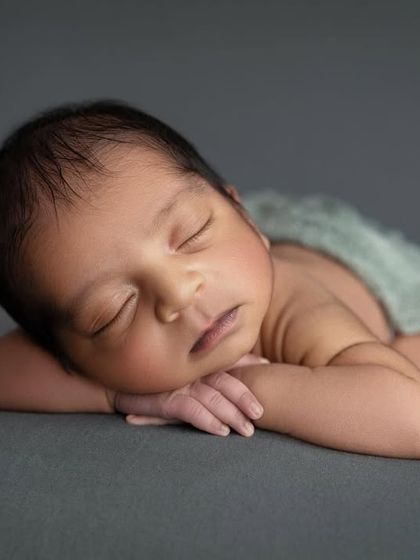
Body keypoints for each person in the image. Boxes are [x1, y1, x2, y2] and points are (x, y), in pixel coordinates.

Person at [1, 100, 420, 459]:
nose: (178, 293)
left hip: (368, 270)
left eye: (192, 234)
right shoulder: (77, 328)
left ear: (246, 220)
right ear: (68, 357)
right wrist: (116, 394)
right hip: (230, 233)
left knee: (407, 349)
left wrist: (238, 388)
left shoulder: (293, 304)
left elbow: (409, 413)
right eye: (114, 312)